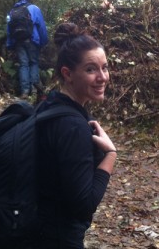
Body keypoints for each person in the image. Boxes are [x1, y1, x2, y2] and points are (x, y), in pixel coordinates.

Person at [33, 22, 117, 249]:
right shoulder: (72, 126)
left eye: (105, 67)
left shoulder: (48, 103)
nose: (103, 77)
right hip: (57, 237)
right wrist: (110, 154)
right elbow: (84, 204)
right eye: (91, 69)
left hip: (36, 228)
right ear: (68, 74)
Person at [6, 0, 49, 98]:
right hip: (32, 40)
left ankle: (24, 91)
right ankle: (34, 91)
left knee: (23, 64)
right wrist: (44, 42)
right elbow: (41, 27)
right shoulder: (34, 8)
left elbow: (9, 29)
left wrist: (10, 44)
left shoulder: (12, 11)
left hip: (18, 41)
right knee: (33, 63)